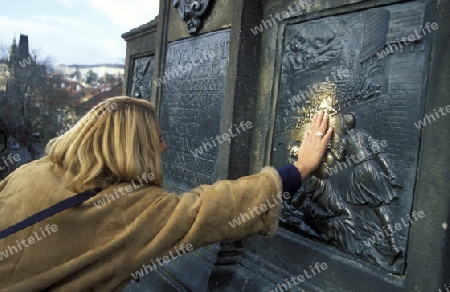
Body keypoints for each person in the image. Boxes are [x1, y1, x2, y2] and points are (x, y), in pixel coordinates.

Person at [0, 96, 332, 291]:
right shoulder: (126, 209)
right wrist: (298, 170)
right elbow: (210, 209)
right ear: (133, 146)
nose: (165, 146)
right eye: (157, 138)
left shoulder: (30, 172)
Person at [331, 113, 401, 259]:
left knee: (356, 205)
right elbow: (378, 153)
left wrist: (331, 148)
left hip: (359, 173)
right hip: (373, 168)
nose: (341, 125)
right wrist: (390, 172)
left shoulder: (344, 140)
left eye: (342, 123)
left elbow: (340, 158)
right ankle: (393, 244)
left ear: (345, 124)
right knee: (381, 208)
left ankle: (355, 238)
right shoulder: (364, 134)